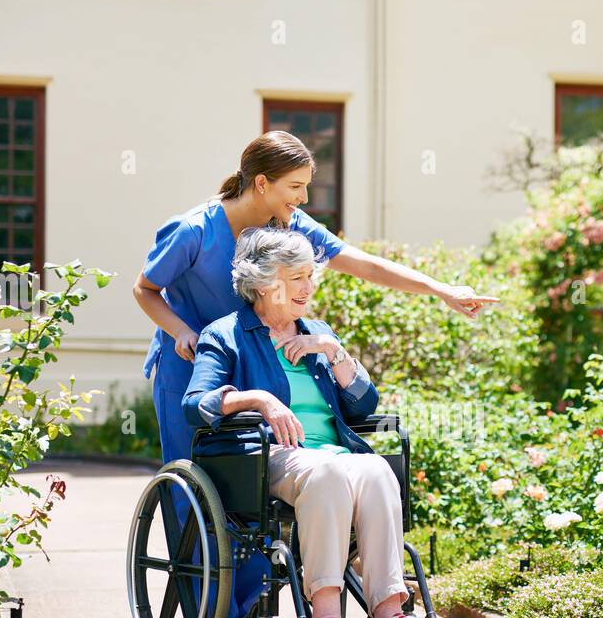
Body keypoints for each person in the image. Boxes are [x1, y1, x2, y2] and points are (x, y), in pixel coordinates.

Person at [135, 130, 496, 466]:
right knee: (191, 481)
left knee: (246, 489)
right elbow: (145, 289)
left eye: (306, 186)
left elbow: (365, 266)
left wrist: (441, 290)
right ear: (262, 183)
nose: (304, 198)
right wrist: (180, 331)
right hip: (192, 362)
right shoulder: (192, 231)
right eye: (295, 186)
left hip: (253, 361)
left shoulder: (290, 223)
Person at [183, 226, 443, 618]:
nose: (309, 287)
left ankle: (392, 614)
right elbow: (196, 404)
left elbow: (363, 406)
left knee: (377, 469)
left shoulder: (317, 330)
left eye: (310, 276)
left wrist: (332, 350)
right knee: (326, 473)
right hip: (272, 456)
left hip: (335, 454)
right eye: (297, 277)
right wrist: (258, 400)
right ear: (266, 285)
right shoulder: (226, 334)